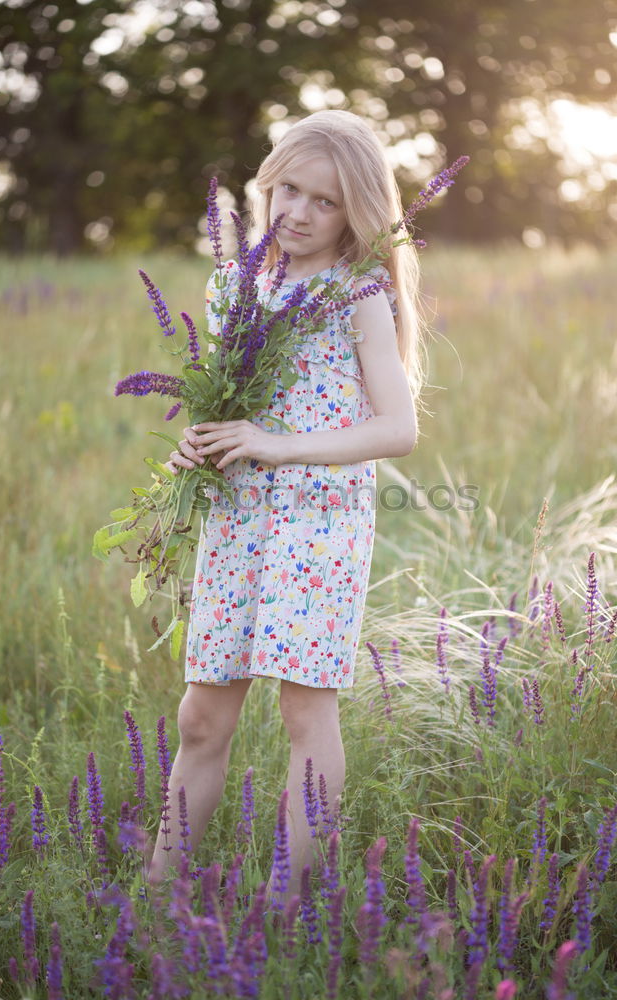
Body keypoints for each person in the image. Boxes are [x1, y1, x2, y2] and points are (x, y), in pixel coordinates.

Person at [146, 109, 427, 907]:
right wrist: (199, 448)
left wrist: (277, 443)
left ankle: (281, 906)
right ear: (265, 187)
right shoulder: (233, 287)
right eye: (288, 191)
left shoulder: (357, 293)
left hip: (319, 525)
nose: (298, 214)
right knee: (202, 716)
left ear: (358, 213)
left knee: (305, 713)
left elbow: (397, 429)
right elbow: (227, 402)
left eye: (325, 202)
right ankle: (159, 900)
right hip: (237, 522)